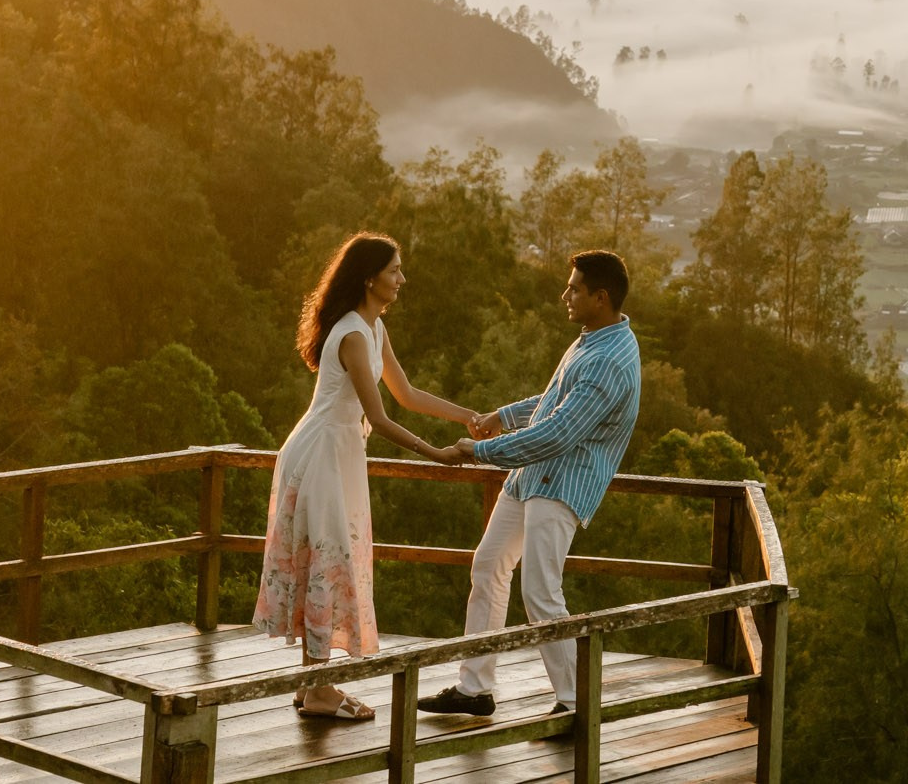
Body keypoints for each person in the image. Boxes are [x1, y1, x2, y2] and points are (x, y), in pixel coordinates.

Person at [252, 231, 482, 721]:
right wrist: (435, 453)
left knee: (330, 557)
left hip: (338, 453)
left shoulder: (372, 328)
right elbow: (378, 418)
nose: (403, 278)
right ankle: (317, 691)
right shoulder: (354, 335)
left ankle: (312, 684)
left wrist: (469, 417)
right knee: (325, 560)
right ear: (369, 277)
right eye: (395, 270)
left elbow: (407, 393)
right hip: (321, 453)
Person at [416, 249, 642, 719]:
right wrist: (504, 416)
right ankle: (475, 688)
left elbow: (559, 432)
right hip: (533, 477)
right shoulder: (596, 338)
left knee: (541, 591)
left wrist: (478, 452)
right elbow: (557, 398)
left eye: (575, 288)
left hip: (562, 483)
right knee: (489, 565)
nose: (566, 295)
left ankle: (577, 702)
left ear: (601, 298)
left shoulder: (609, 360)